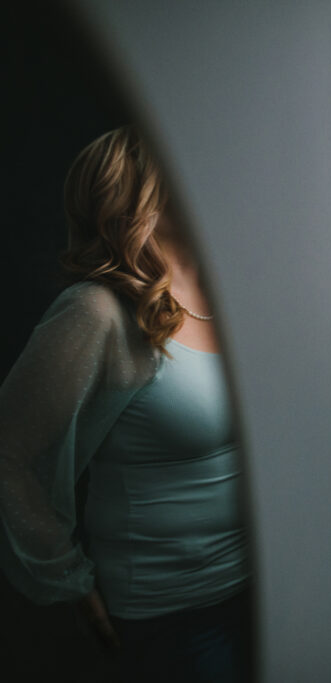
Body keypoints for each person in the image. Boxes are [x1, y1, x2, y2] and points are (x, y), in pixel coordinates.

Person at [0, 126, 252, 682]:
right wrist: (68, 579)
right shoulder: (98, 313)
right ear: (140, 202)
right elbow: (8, 453)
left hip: (264, 590)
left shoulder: (235, 295)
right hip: (173, 620)